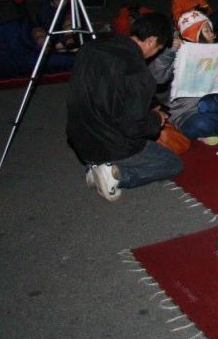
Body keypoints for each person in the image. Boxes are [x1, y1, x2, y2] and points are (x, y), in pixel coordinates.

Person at [66, 13, 183, 202]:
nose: (156, 54)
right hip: (108, 144)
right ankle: (115, 174)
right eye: (159, 48)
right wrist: (155, 119)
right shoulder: (138, 73)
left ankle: (94, 167)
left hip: (78, 136)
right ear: (151, 41)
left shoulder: (92, 46)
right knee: (172, 164)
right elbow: (132, 128)